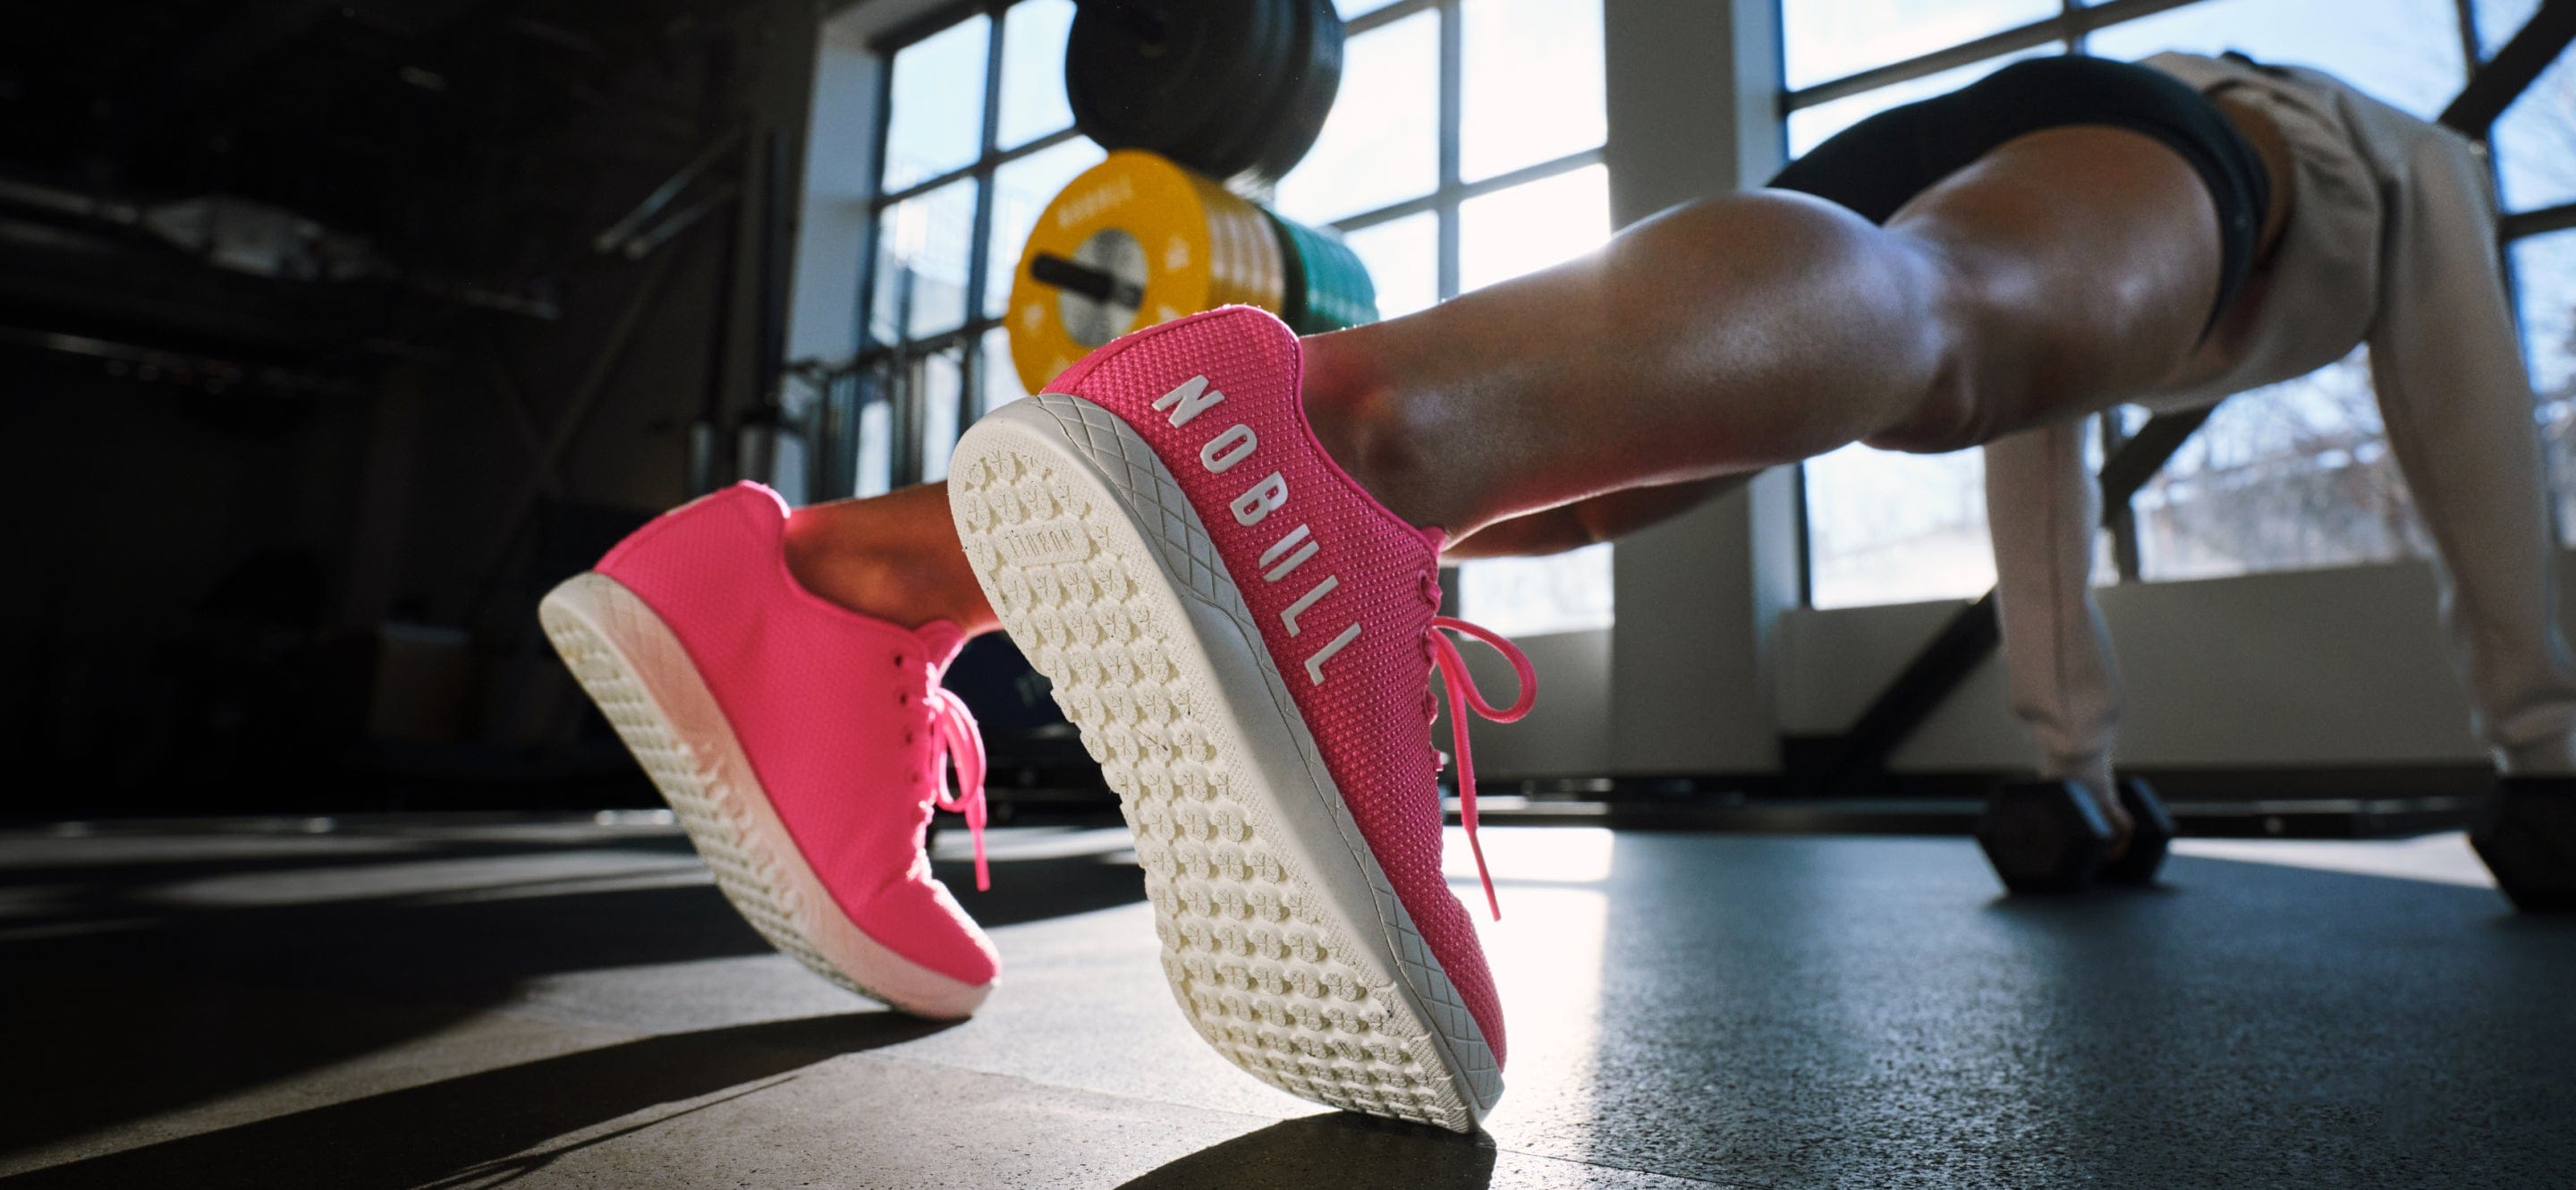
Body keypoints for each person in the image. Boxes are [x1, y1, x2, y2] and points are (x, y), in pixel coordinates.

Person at [541, 51, 2575, 1131]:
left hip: (1924, 157)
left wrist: (2084, 761)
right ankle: (1335, 445)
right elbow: (2467, 412)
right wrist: (2547, 739)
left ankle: (829, 574)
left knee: (1573, 481)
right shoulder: (2415, 158)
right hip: (2211, 150)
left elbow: (2030, 456)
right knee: (1942, 331)